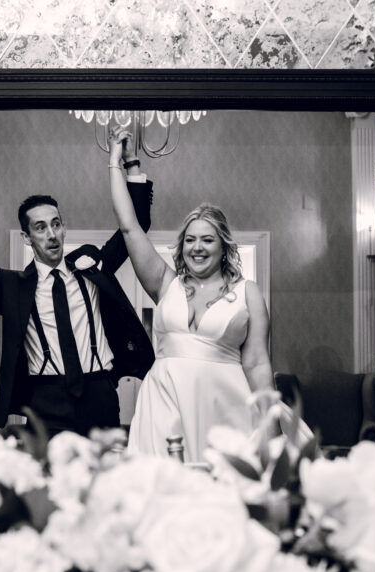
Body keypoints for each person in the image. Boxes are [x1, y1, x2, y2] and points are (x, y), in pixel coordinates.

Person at [107, 129, 293, 462]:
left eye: (207, 240)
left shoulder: (247, 293)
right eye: (190, 240)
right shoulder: (165, 283)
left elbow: (257, 364)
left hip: (225, 409)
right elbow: (129, 227)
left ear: (223, 247)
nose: (197, 247)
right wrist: (118, 164)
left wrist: (272, 429)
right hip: (163, 404)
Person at [0, 156, 155, 437]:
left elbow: (135, 227)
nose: (52, 234)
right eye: (40, 227)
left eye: (56, 224)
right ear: (26, 238)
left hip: (100, 394)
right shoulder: (13, 288)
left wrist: (132, 165)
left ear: (64, 228)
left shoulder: (91, 267)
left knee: (105, 464)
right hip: (45, 400)